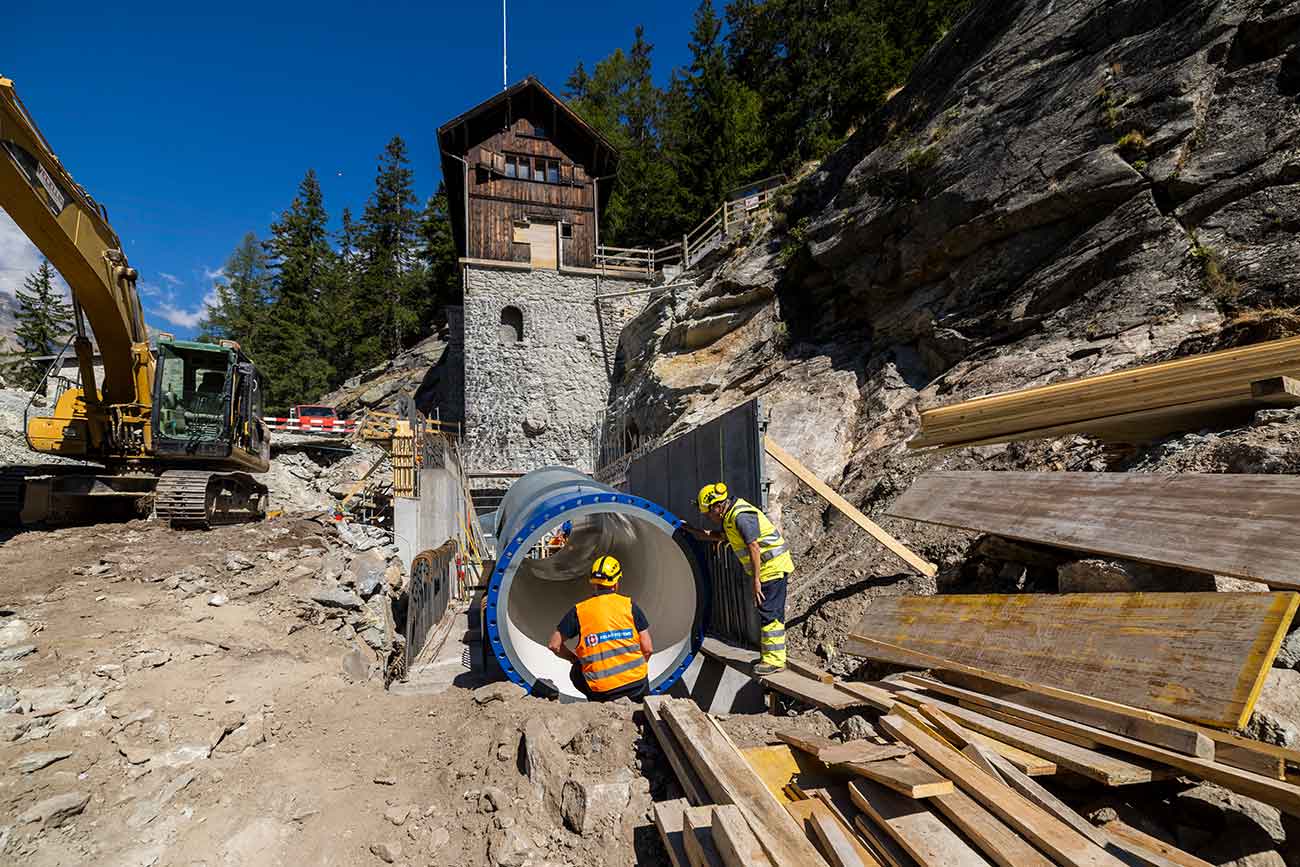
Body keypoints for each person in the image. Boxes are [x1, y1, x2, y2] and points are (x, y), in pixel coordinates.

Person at [685, 482, 794, 675]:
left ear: (717, 506)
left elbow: (754, 547)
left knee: (770, 612)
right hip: (768, 568)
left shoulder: (741, 516)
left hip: (772, 567)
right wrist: (695, 532)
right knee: (768, 611)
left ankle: (775, 661)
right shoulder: (730, 516)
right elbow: (722, 537)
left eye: (709, 513)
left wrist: (756, 581)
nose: (709, 517)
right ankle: (772, 657)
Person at [547, 555, 653, 702]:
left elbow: (554, 644)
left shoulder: (579, 611)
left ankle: (597, 704)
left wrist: (574, 659)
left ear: (593, 583)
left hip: (602, 692)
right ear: (616, 583)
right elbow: (648, 649)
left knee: (577, 671)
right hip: (636, 686)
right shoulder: (629, 606)